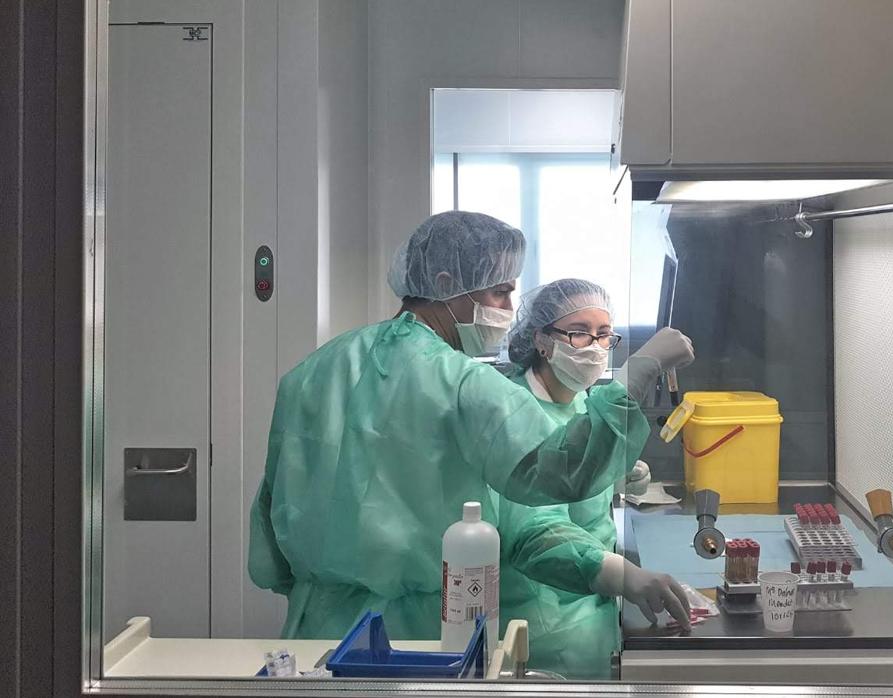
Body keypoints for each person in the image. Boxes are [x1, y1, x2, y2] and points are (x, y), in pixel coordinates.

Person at [248, 211, 695, 640]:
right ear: (446, 284)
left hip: (319, 629)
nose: (508, 307)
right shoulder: (458, 380)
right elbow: (562, 472)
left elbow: (271, 519)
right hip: (421, 636)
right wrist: (637, 374)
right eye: (499, 292)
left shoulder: (311, 371)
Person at [493, 279, 689, 679]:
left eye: (604, 335)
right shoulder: (514, 412)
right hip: (546, 623)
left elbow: (573, 470)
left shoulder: (578, 396)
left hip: (590, 598)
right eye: (579, 333)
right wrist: (625, 575)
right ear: (542, 341)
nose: (596, 346)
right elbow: (536, 533)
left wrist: (612, 476)